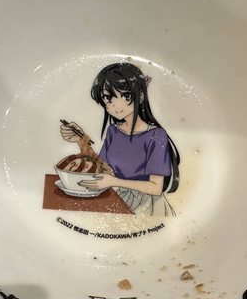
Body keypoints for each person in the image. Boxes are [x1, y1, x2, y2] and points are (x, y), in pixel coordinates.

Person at [60, 62, 179, 216]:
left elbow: (156, 188)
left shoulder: (156, 135)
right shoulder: (113, 131)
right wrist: (81, 140)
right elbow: (103, 168)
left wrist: (114, 181)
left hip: (146, 208)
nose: (116, 105)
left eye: (126, 96)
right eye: (108, 98)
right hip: (116, 199)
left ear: (140, 97)